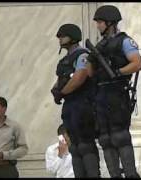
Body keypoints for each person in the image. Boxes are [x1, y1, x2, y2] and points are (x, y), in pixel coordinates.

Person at [86, 5, 141, 178]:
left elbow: (136, 63)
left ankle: (131, 175)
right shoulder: (100, 45)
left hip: (117, 92)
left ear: (110, 23)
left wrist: (118, 72)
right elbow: (89, 73)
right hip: (101, 95)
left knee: (120, 137)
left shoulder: (124, 41)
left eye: (100, 22)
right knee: (105, 139)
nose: (98, 25)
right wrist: (91, 58)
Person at [50, 23, 100, 177]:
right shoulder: (65, 60)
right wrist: (55, 91)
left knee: (85, 145)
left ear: (72, 37)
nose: (59, 39)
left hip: (83, 105)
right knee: (75, 147)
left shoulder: (82, 55)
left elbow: (79, 78)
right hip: (70, 107)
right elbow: (60, 81)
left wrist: (62, 92)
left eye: (62, 36)